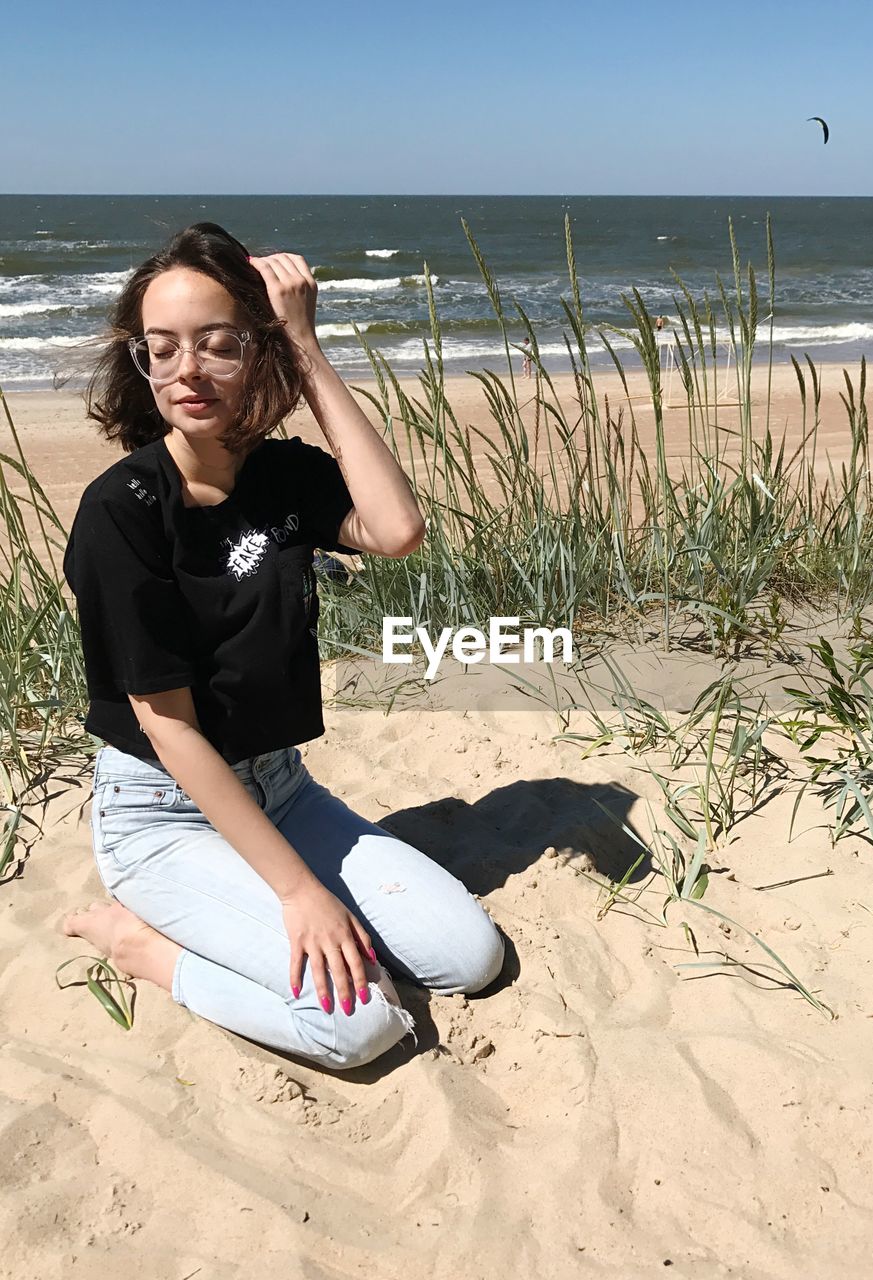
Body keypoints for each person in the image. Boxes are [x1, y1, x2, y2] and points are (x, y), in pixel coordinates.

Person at [60, 223, 504, 1071]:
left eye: (218, 345)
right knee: (360, 1022)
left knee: (470, 958)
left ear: (257, 353)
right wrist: (300, 894)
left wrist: (304, 343)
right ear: (141, 362)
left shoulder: (283, 476)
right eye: (162, 349)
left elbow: (397, 529)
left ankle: (251, 904)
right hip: (164, 813)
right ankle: (145, 948)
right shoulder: (122, 512)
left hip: (282, 792)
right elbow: (169, 729)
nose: (186, 371)